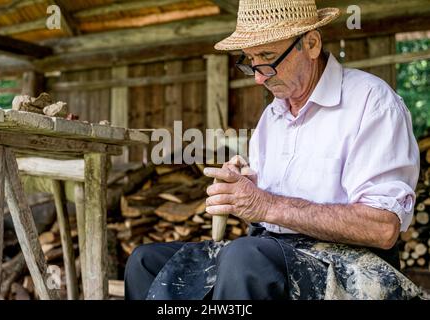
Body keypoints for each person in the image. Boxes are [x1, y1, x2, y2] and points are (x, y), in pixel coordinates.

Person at [125, 0, 421, 300]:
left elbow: (382, 228)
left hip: (349, 262)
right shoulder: (272, 117)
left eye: (267, 57)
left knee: (246, 258)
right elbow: (268, 213)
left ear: (311, 43)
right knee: (146, 262)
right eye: (250, 60)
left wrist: (266, 205)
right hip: (273, 251)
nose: (258, 76)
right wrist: (245, 192)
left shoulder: (372, 101)